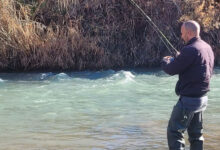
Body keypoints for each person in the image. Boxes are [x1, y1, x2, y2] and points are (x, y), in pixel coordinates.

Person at [161, 20, 214, 150]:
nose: (181, 36)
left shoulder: (190, 50)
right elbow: (198, 66)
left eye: (182, 33)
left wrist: (165, 61)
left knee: (174, 132)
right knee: (196, 135)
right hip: (202, 99)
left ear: (189, 33)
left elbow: (171, 69)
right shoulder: (206, 47)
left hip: (189, 101)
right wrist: (181, 57)